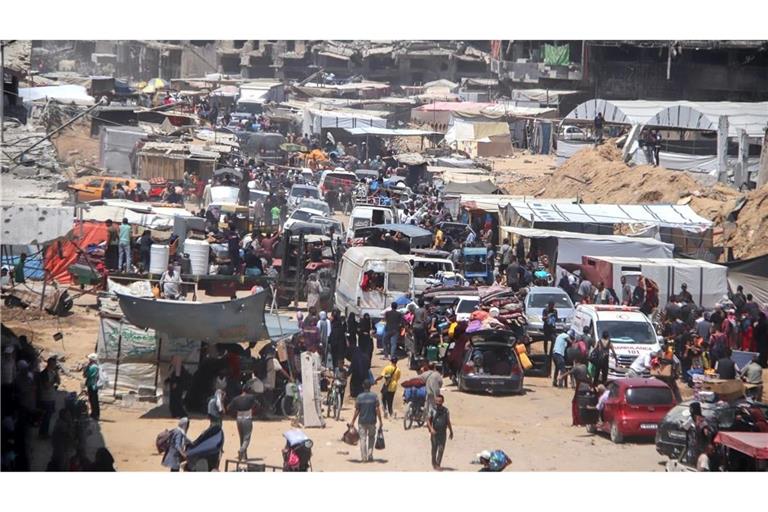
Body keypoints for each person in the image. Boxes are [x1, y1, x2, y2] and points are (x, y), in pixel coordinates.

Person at [350, 380, 382, 463]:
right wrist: (380, 421)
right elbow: (377, 409)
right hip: (372, 421)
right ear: (370, 386)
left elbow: (357, 410)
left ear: (363, 386)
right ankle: (370, 454)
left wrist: (353, 421)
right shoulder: (374, 396)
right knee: (371, 437)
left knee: (363, 439)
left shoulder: (359, 397)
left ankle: (364, 457)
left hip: (362, 421)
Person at [227, 386, 257, 461]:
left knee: (241, 437)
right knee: (247, 438)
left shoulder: (236, 399)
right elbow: (257, 405)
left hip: (239, 419)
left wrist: (234, 414)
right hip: (247, 418)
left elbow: (229, 408)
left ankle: (244, 456)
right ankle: (241, 450)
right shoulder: (251, 397)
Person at [427, 394, 453, 471]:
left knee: (441, 449)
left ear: (443, 401)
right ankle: (433, 463)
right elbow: (428, 420)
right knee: (434, 449)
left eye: (440, 401)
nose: (438, 402)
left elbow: (448, 421)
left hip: (443, 432)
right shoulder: (432, 409)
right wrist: (431, 429)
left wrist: (451, 431)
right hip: (434, 432)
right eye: (437, 401)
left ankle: (438, 464)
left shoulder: (446, 410)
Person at [37, 356, 60, 438]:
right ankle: (43, 433)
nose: (55, 365)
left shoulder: (53, 372)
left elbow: (58, 382)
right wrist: (54, 380)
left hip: (51, 397)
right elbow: (46, 386)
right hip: (46, 398)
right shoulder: (44, 373)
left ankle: (44, 432)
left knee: (49, 416)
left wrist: (57, 373)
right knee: (46, 417)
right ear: (50, 364)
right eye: (54, 364)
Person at [83, 353, 101, 421]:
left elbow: (86, 374)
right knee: (94, 400)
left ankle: (95, 414)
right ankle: (95, 414)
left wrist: (86, 368)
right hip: (93, 385)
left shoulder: (93, 367)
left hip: (92, 385)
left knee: (93, 400)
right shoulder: (95, 366)